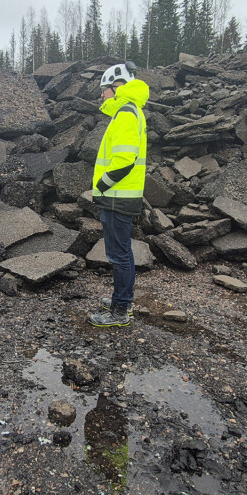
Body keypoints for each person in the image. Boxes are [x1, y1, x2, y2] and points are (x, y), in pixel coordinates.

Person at [88, 62, 149, 328]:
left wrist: (101, 185)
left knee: (119, 255)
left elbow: (125, 160)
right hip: (121, 196)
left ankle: (120, 310)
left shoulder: (126, 113)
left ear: (118, 87)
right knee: (120, 253)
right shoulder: (129, 111)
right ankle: (120, 300)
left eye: (105, 89)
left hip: (117, 197)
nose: (102, 95)